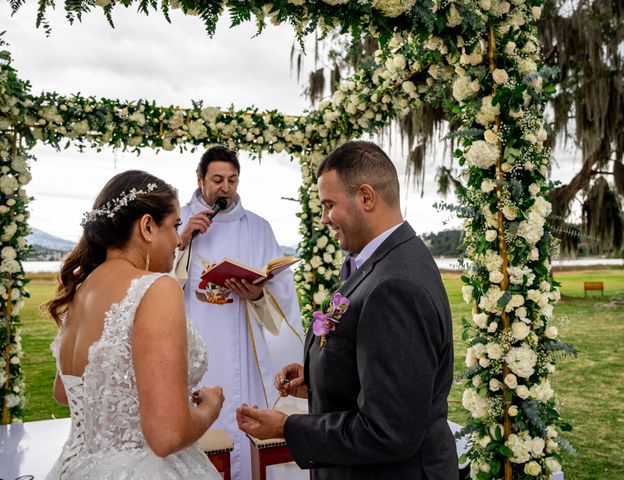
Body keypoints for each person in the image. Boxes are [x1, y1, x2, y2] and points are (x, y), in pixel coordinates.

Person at [236, 141, 458, 479]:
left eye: (329, 205)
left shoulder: (394, 286)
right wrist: (317, 378)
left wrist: (288, 427)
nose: (324, 218)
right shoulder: (377, 261)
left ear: (366, 197)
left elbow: (389, 430)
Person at [44, 170, 224, 479]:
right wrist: (211, 406)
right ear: (147, 227)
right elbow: (167, 436)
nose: (177, 242)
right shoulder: (155, 288)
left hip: (75, 469)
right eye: (175, 225)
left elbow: (65, 394)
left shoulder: (82, 288)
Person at [178, 146, 304, 480]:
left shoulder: (258, 228)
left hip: (242, 349)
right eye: (217, 179)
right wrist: (181, 242)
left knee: (241, 420)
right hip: (190, 344)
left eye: (232, 180)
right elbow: (151, 279)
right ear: (200, 179)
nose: (226, 188)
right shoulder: (176, 220)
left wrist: (259, 293)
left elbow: (283, 291)